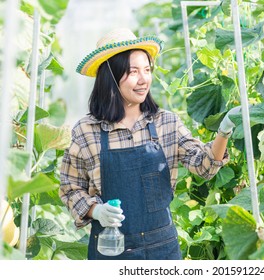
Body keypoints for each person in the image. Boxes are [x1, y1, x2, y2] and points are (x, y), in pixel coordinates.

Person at [59, 28, 239, 260]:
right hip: (111, 248)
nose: (144, 79)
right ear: (111, 77)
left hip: (162, 248)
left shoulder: (166, 122)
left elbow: (204, 166)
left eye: (146, 70)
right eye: (133, 72)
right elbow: (70, 188)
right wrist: (97, 211)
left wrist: (223, 131)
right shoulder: (87, 131)